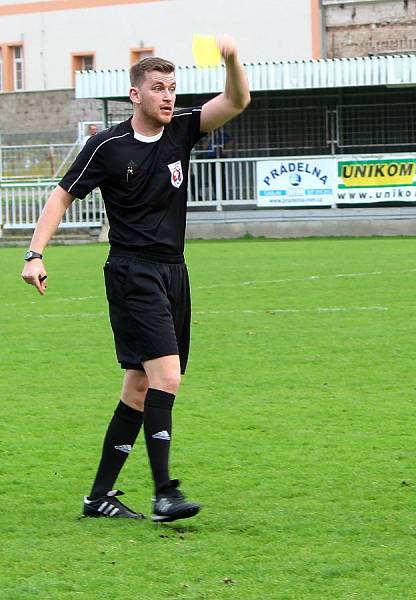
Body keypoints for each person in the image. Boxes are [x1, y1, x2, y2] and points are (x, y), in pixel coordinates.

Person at [21, 36, 251, 522]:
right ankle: (165, 491)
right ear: (135, 95)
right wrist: (34, 253)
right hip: (132, 271)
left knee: (139, 387)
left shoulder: (182, 129)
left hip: (174, 271)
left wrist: (231, 60)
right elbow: (61, 195)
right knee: (167, 377)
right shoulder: (106, 145)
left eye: (173, 87)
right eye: (159, 88)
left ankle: (99, 497)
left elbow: (236, 100)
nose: (169, 96)